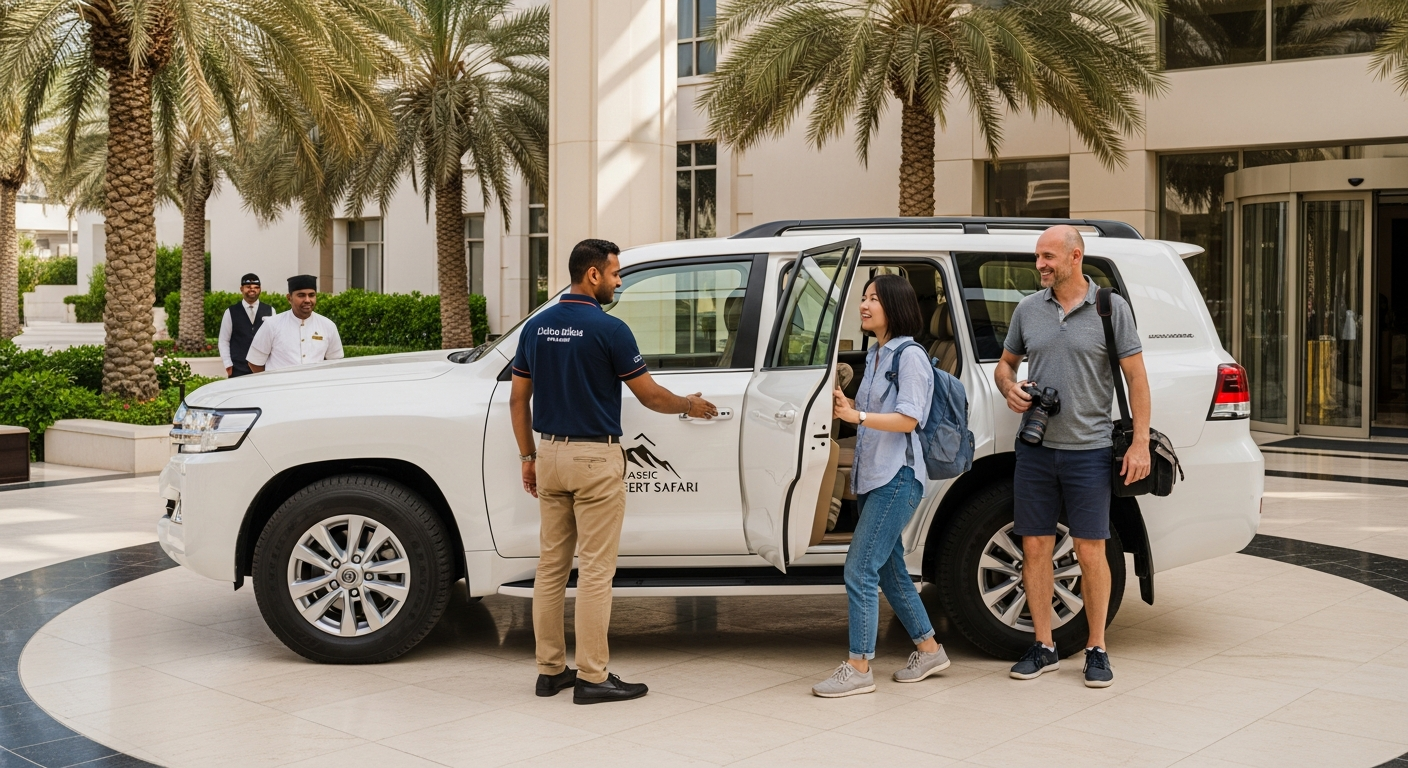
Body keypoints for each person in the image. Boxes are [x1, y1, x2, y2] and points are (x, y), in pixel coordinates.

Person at [509, 238, 718, 705]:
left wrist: (528, 458)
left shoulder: (536, 327)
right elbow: (650, 397)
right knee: (597, 572)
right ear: (593, 276)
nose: (620, 281)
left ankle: (549, 672)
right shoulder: (610, 330)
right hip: (594, 460)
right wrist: (691, 405)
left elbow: (518, 400)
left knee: (550, 569)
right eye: (616, 274)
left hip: (550, 457)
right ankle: (592, 677)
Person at [993, 225, 1150, 689]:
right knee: (1035, 546)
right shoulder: (1027, 309)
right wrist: (1010, 388)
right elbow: (1006, 365)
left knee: (1089, 549)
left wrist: (1139, 442)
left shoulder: (1109, 308)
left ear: (1075, 256)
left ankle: (1096, 647)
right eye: (1037, 256)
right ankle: (1044, 646)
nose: (1040, 264)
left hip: (1091, 450)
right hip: (1037, 449)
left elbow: (1137, 378)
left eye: (1048, 256)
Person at [813, 274, 948, 698]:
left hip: (898, 477)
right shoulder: (875, 355)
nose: (864, 305)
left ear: (896, 306)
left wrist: (858, 418)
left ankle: (859, 666)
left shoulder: (910, 357)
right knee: (888, 569)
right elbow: (875, 413)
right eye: (864, 298)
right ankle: (929, 649)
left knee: (859, 567)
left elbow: (908, 419)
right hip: (874, 476)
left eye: (874, 299)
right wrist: (851, 407)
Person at [246, 275, 343, 373]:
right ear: (289, 298)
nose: (307, 300)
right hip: (281, 387)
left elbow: (335, 363)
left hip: (314, 387)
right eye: (301, 295)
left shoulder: (328, 326)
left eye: (311, 295)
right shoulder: (272, 325)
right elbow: (255, 362)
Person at [218, 273, 275, 377]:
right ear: (241, 289)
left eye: (256, 287)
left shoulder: (270, 311)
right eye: (248, 287)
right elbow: (223, 340)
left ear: (260, 289)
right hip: (237, 368)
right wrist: (228, 365)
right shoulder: (230, 312)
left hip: (263, 368)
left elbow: (275, 340)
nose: (252, 290)